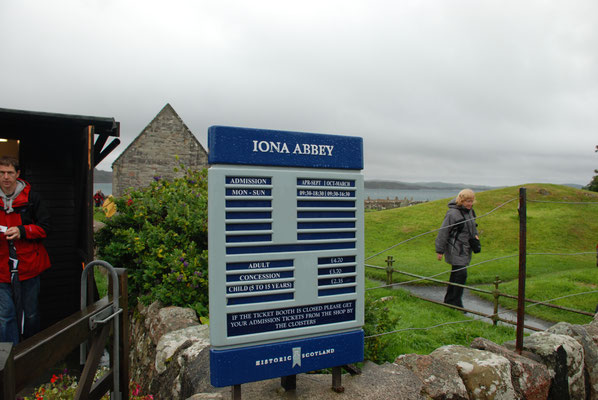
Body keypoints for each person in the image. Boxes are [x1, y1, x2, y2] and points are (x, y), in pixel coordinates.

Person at [0, 156, 51, 344]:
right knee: (5, 316)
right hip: (1, 270)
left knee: (30, 314)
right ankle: (8, 361)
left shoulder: (32, 199)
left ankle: (29, 354)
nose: (6, 177)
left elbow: (46, 227)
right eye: (2, 173)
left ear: (17, 174)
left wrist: (22, 231)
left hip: (28, 267)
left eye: (10, 173)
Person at [435, 189, 479, 309]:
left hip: (465, 248)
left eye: (471, 201)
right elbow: (443, 232)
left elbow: (473, 226)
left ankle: (449, 301)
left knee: (456, 274)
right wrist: (440, 250)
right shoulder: (452, 214)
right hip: (455, 248)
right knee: (461, 274)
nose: (469, 204)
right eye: (466, 201)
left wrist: (476, 236)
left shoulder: (470, 212)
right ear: (461, 200)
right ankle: (457, 303)